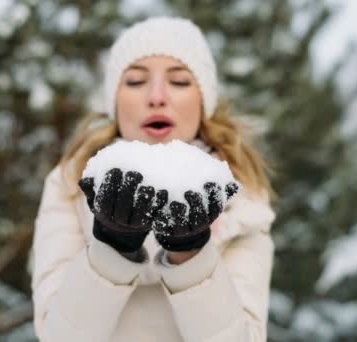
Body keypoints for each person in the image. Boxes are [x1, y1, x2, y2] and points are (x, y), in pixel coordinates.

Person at [31, 16, 276, 342]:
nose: (157, 97)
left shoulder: (241, 203)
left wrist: (191, 255)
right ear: (113, 101)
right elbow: (57, 336)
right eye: (135, 81)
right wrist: (112, 248)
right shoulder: (69, 184)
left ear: (204, 101)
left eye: (179, 82)